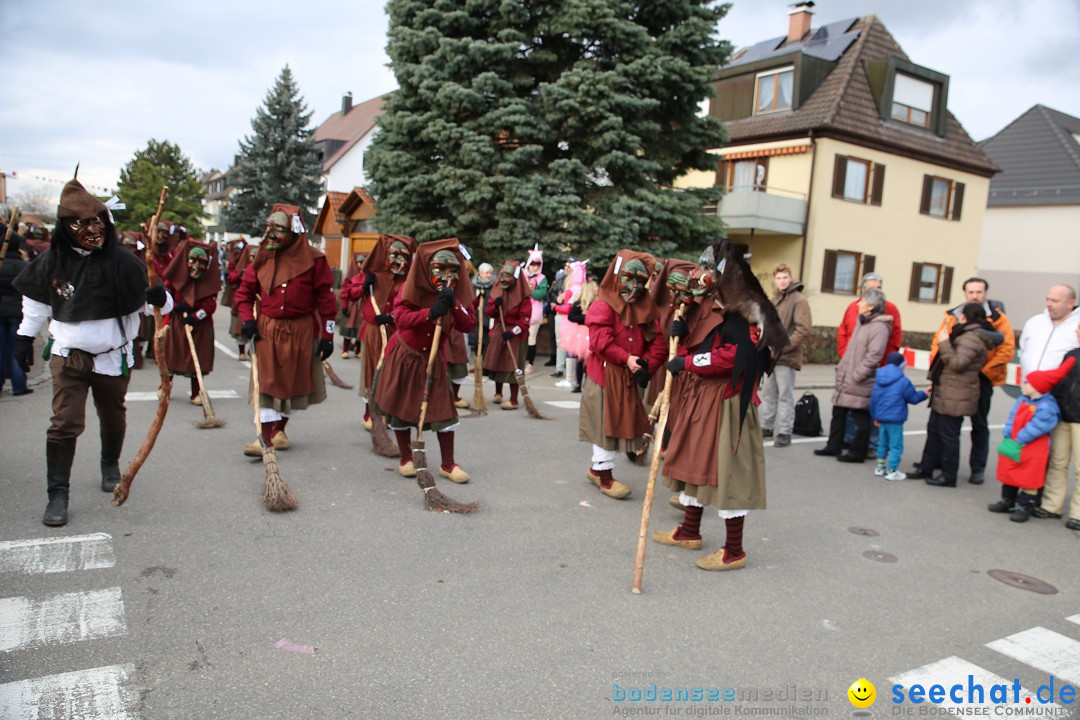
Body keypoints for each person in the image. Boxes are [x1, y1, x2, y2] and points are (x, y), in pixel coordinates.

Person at [13, 177, 173, 526]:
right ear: (65, 227)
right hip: (69, 355)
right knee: (64, 423)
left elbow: (156, 304)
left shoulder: (125, 261)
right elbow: (36, 304)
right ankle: (57, 494)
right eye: (80, 223)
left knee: (113, 416)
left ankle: (109, 464)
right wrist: (24, 338)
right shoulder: (52, 261)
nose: (90, 229)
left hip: (113, 358)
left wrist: (163, 298)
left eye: (96, 221)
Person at [653, 238, 787, 571]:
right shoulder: (720, 302)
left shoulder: (748, 307)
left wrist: (688, 362)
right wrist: (682, 334)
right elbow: (711, 341)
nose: (700, 275)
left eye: (707, 269)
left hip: (729, 401)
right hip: (706, 397)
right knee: (695, 460)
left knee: (729, 474)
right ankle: (688, 530)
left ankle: (734, 551)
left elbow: (733, 357)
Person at [235, 204, 337, 456]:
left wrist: (328, 335)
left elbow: (326, 299)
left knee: (291, 385)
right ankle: (264, 439)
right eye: (269, 228)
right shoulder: (262, 257)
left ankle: (279, 429)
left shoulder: (315, 259)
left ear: (293, 232)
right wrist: (247, 320)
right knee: (268, 382)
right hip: (267, 329)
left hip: (301, 330)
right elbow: (244, 293)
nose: (271, 234)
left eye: (278, 229)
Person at [370, 239, 476, 482]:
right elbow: (401, 318)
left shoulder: (456, 293)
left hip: (435, 358)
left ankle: (448, 464)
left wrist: (454, 305)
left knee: (443, 410)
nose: (447, 276)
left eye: (453, 271)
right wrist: (430, 313)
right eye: (440, 269)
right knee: (402, 408)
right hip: (406, 355)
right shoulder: (412, 286)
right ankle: (406, 458)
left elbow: (468, 323)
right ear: (429, 268)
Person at [579, 250, 667, 499]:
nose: (634, 285)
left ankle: (599, 471)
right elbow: (600, 342)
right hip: (605, 375)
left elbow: (658, 340)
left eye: (640, 280)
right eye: (629, 277)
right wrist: (626, 358)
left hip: (630, 374)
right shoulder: (603, 304)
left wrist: (647, 364)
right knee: (606, 424)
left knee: (622, 422)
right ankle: (603, 475)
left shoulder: (646, 306)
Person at [927, 278, 1015, 484]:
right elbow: (938, 342)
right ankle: (939, 462)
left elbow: (1006, 349)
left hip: (980, 378)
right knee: (944, 423)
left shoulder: (998, 318)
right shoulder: (952, 315)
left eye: (979, 291)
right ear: (965, 293)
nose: (975, 295)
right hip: (952, 377)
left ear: (986, 292)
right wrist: (938, 370)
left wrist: (982, 371)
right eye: (971, 291)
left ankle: (977, 467)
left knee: (979, 424)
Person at [913, 303, 1004, 488]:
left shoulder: (972, 338)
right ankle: (926, 467)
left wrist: (944, 342)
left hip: (957, 393)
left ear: (965, 316)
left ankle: (948, 475)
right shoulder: (966, 333)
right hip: (947, 389)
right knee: (934, 430)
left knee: (949, 435)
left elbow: (957, 363)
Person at [346, 234, 416, 430]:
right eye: (394, 255)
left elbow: (416, 303)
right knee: (372, 370)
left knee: (392, 373)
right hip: (374, 331)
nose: (398, 260)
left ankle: (390, 411)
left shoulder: (410, 278)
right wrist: (363, 286)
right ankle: (370, 412)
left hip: (398, 332)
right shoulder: (373, 273)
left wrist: (393, 317)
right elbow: (350, 292)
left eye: (403, 255)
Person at [814, 288, 892, 463]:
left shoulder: (879, 327)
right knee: (838, 412)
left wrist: (857, 375)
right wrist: (842, 369)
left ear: (871, 306)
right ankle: (833, 446)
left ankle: (858, 453)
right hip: (846, 376)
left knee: (861, 417)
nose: (858, 304)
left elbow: (874, 356)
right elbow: (851, 350)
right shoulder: (862, 322)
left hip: (860, 380)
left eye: (862, 301)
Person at [989, 362, 1065, 522]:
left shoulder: (1047, 406)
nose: (1023, 384)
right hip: (1015, 441)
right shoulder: (1023, 399)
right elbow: (1012, 416)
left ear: (1038, 387)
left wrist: (1020, 438)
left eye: (1026, 382)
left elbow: (1038, 426)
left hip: (1032, 447)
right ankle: (1007, 500)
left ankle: (1024, 505)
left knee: (1029, 477)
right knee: (1009, 471)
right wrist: (1008, 432)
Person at [160, 238, 220, 404]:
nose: (195, 266)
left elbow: (210, 304)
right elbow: (166, 295)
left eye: (201, 262)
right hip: (177, 322)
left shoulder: (209, 281)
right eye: (192, 261)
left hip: (199, 325)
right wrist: (175, 306)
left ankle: (196, 392)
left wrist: (196, 316)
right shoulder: (175, 277)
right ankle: (165, 386)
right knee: (171, 355)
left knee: (197, 359)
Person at [758, 263, 811, 448]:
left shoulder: (798, 300)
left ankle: (784, 432)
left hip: (786, 356)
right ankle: (766, 426)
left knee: (785, 396)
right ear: (774, 280)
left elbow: (803, 329)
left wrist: (784, 346)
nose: (782, 281)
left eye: (785, 277)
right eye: (779, 278)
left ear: (791, 278)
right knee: (769, 394)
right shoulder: (775, 299)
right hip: (771, 355)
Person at [1037, 325, 1080, 529]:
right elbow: (1060, 381)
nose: (1076, 332)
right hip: (1063, 416)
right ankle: (1051, 506)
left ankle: (1078, 514)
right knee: (1057, 462)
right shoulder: (1071, 354)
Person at [869, 352, 928, 480]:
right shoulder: (903, 380)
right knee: (896, 445)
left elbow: (873, 400)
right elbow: (913, 398)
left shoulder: (878, 378)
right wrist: (925, 393)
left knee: (882, 443)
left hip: (881, 418)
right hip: (895, 419)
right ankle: (892, 470)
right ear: (901, 365)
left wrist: (874, 417)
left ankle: (880, 467)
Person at [484, 261, 531, 410]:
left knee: (513, 366)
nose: (503, 279)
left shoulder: (523, 298)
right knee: (498, 362)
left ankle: (513, 399)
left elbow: (525, 321)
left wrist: (512, 332)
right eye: (502, 275)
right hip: (500, 330)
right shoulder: (499, 292)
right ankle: (498, 393)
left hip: (515, 335)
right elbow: (489, 313)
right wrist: (494, 305)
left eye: (508, 276)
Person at [1018, 285, 1079, 381]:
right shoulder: (1034, 322)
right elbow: (1023, 348)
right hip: (1028, 390)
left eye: (1055, 301)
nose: (1049, 304)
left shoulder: (1077, 327)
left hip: (1060, 393)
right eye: (1048, 299)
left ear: (1071, 303)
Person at [0, 233, 32, 396]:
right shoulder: (24, 266)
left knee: (1, 349)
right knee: (15, 349)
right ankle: (18, 385)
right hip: (19, 312)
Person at [226, 243, 258, 361]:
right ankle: (242, 351)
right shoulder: (242, 267)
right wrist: (240, 274)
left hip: (258, 303)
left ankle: (253, 349)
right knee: (241, 326)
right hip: (243, 300)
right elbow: (231, 278)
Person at [523, 247, 548, 374]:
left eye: (537, 264)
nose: (535, 267)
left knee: (531, 339)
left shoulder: (542, 278)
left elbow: (542, 294)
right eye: (533, 264)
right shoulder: (522, 275)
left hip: (534, 312)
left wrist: (530, 291)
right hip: (521, 311)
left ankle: (530, 364)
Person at [339, 252, 367, 358]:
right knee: (349, 327)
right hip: (351, 305)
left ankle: (358, 350)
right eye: (358, 263)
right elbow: (345, 291)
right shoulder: (350, 276)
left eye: (362, 262)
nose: (360, 265)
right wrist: (344, 305)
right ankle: (345, 349)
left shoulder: (367, 276)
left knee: (360, 327)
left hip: (362, 305)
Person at [549, 258, 573, 378]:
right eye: (566, 266)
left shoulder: (576, 282)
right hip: (559, 314)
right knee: (559, 342)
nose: (567, 268)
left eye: (570, 266)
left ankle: (571, 371)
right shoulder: (560, 280)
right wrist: (557, 300)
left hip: (570, 316)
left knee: (570, 343)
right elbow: (552, 294)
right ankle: (559, 368)